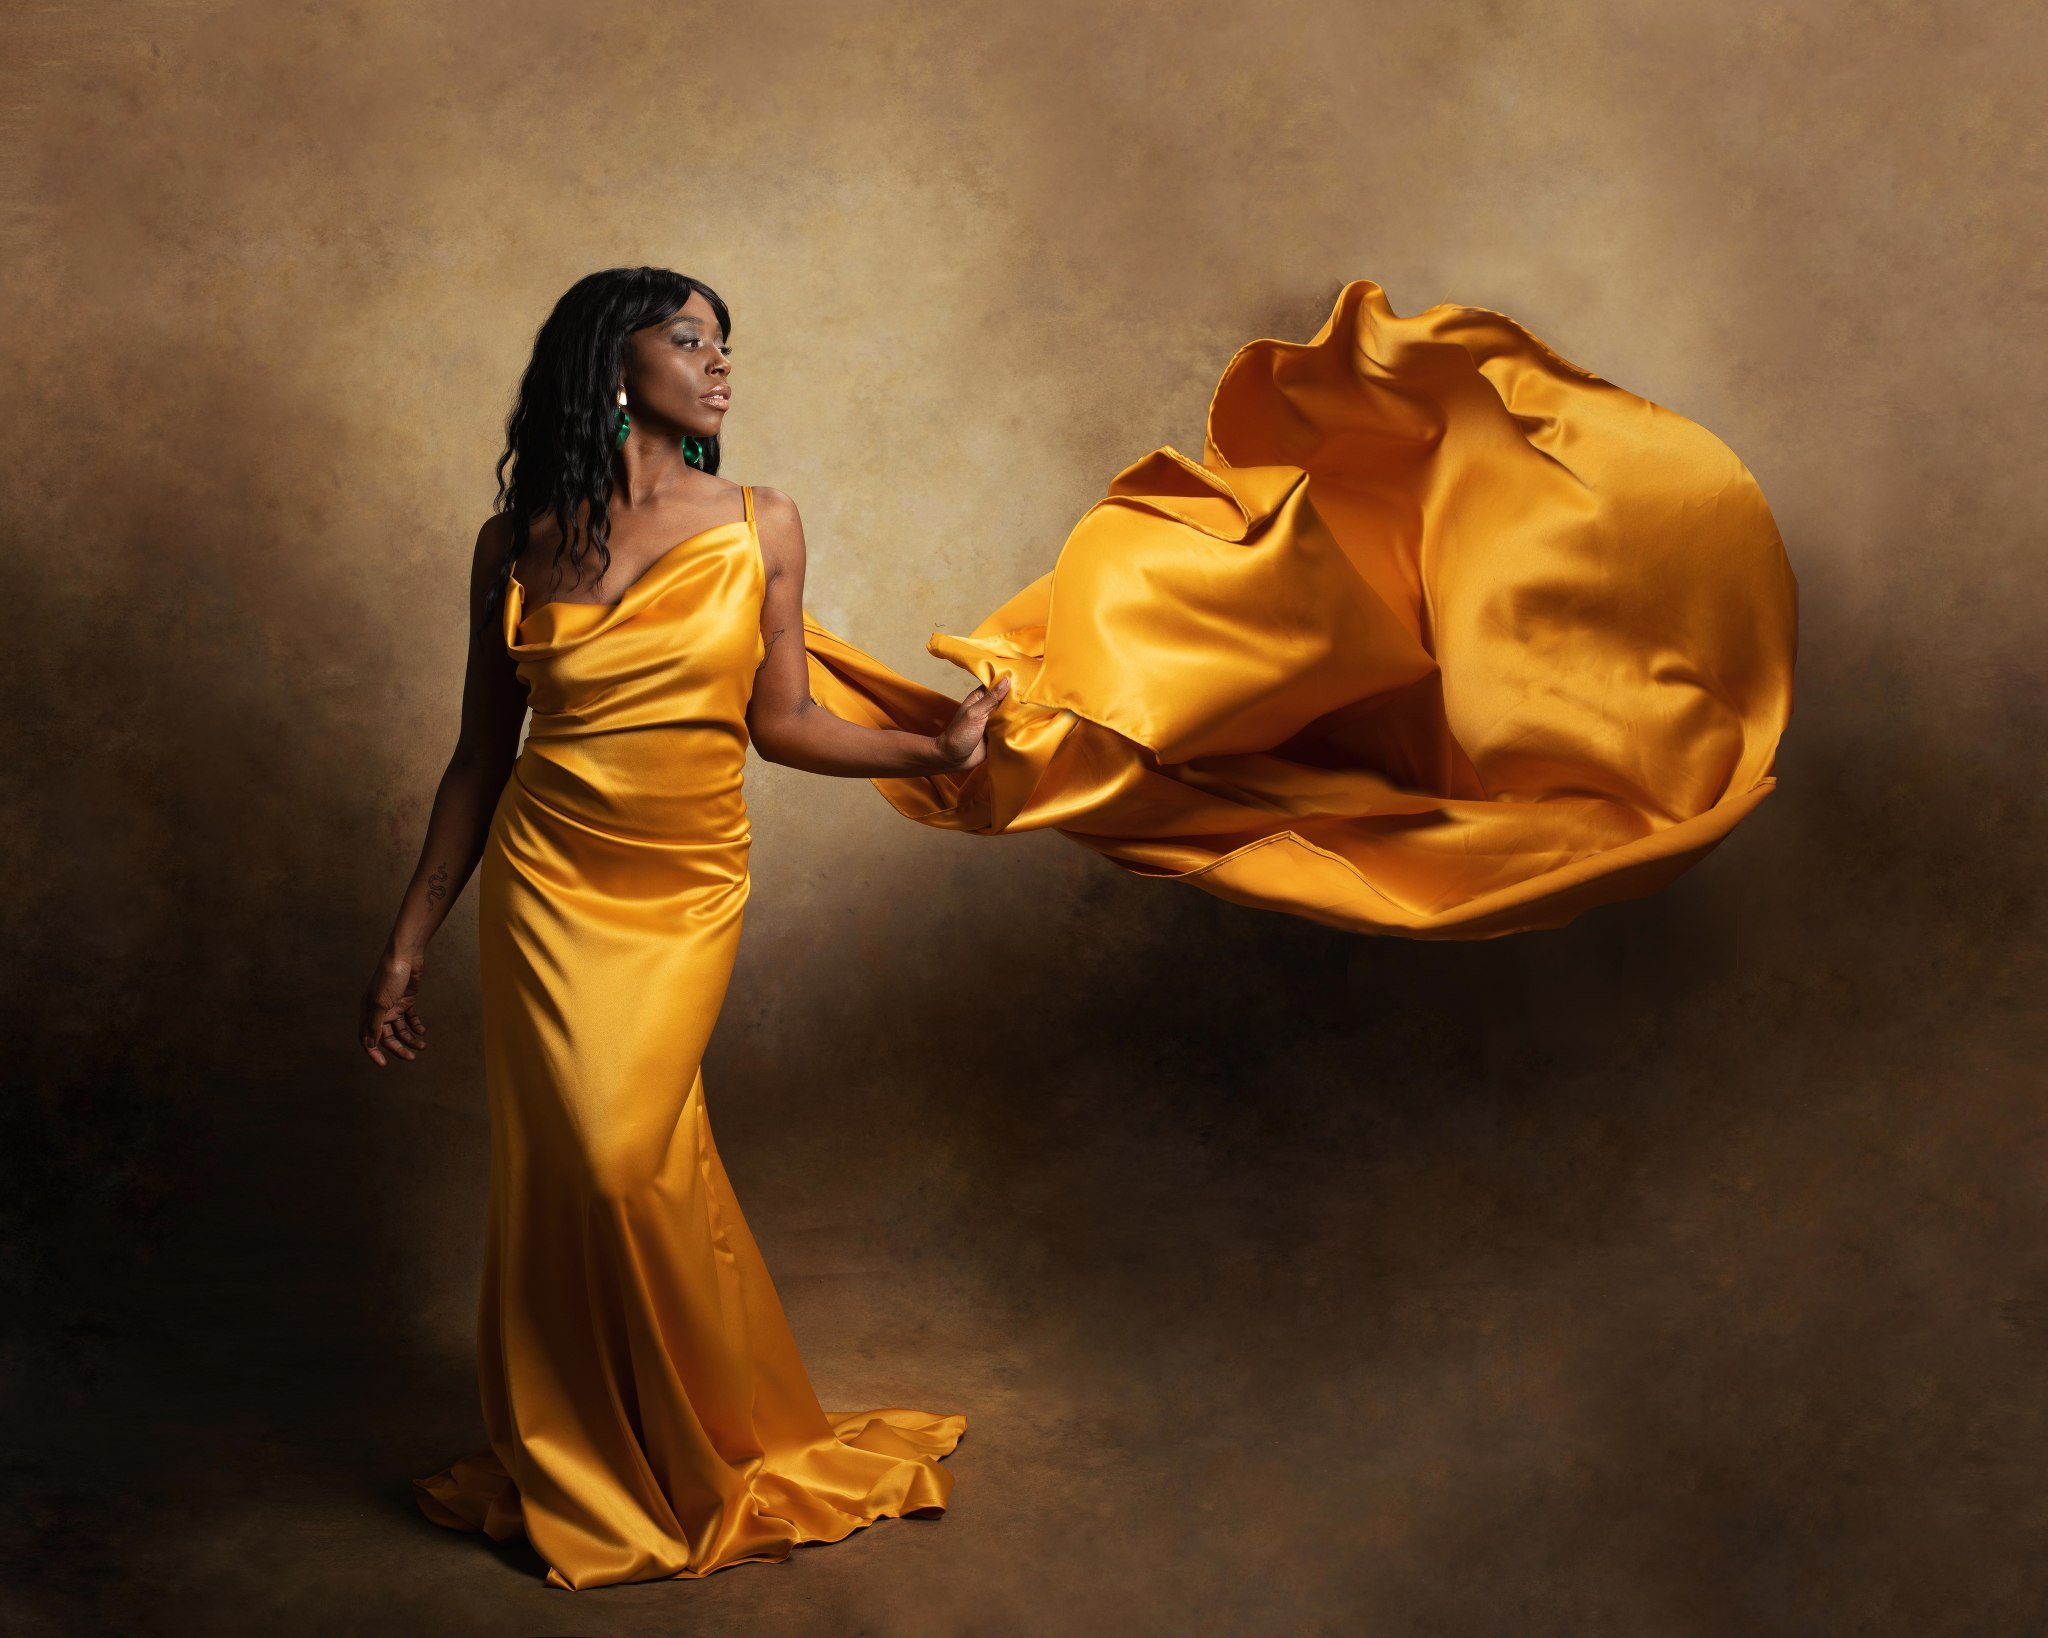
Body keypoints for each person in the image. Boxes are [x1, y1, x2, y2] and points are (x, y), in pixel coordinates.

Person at [361, 267, 1795, 1591]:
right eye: (689, 339)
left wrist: (938, 752)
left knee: (622, 1148)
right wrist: (414, 934)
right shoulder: (514, 538)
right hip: (549, 875)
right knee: (572, 1162)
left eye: (726, 341)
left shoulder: (760, 526)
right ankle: (596, 1453)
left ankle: (687, 1447)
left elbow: (782, 720)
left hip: (677, 881)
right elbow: (479, 757)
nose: (722, 364)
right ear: (607, 366)